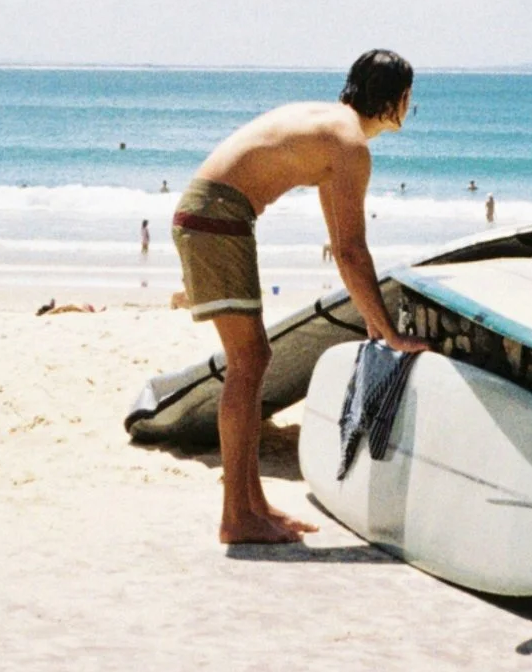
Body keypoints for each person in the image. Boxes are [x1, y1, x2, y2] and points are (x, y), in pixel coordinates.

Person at [171, 48, 428, 545]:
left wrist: (376, 322)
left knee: (254, 359)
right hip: (216, 219)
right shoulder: (350, 144)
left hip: (213, 215)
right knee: (248, 362)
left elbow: (341, 244)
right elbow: (352, 252)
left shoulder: (333, 128)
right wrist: (391, 334)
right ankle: (236, 516)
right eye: (410, 97)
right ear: (395, 98)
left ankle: (252, 506)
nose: (410, 107)